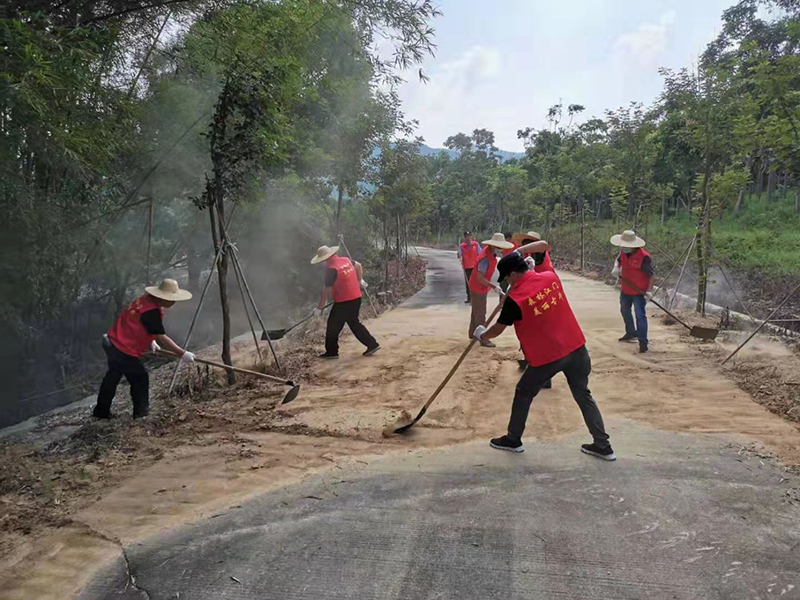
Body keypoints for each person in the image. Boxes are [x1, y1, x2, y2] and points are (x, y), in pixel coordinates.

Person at [473, 248, 615, 460]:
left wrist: (483, 334)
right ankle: (603, 445)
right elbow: (539, 277)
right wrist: (532, 273)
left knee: (523, 392)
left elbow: (498, 329)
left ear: (513, 274)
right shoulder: (551, 277)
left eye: (507, 279)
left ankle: (513, 439)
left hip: (548, 357)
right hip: (577, 348)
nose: (507, 284)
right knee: (583, 395)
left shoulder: (516, 299)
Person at [94, 279, 195, 419]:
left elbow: (140, 324)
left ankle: (100, 412)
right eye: (171, 299)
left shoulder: (144, 300)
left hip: (112, 341)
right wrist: (182, 353)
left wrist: (151, 340)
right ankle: (141, 415)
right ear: (161, 297)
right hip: (122, 348)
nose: (173, 302)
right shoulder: (152, 311)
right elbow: (162, 337)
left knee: (112, 376)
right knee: (140, 378)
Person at [312, 245, 379, 359]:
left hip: (344, 302)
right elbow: (358, 265)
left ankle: (332, 352)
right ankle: (371, 344)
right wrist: (360, 279)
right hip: (356, 297)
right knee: (353, 323)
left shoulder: (331, 269)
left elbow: (326, 291)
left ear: (325, 259)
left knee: (333, 325)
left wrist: (319, 308)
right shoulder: (345, 260)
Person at [468, 232, 514, 347]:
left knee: (476, 311)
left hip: (479, 286)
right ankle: (483, 338)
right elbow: (479, 277)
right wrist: (493, 286)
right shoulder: (485, 258)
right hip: (478, 286)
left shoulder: (490, 253)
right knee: (480, 313)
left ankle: (472, 333)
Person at [611, 230, 654, 354]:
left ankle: (643, 342)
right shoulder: (624, 252)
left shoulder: (644, 257)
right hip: (626, 289)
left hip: (639, 292)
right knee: (624, 310)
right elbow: (618, 260)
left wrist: (649, 291)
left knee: (640, 315)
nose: (624, 248)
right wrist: (616, 268)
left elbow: (652, 275)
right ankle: (630, 333)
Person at [457, 231, 481, 304]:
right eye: (466, 236)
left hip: (475, 267)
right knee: (468, 283)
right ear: (464, 237)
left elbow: (480, 253)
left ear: (471, 236)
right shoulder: (462, 246)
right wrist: (458, 255)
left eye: (469, 236)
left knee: (475, 283)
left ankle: (475, 298)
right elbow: (459, 254)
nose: (468, 238)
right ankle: (469, 298)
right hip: (466, 267)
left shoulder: (476, 244)